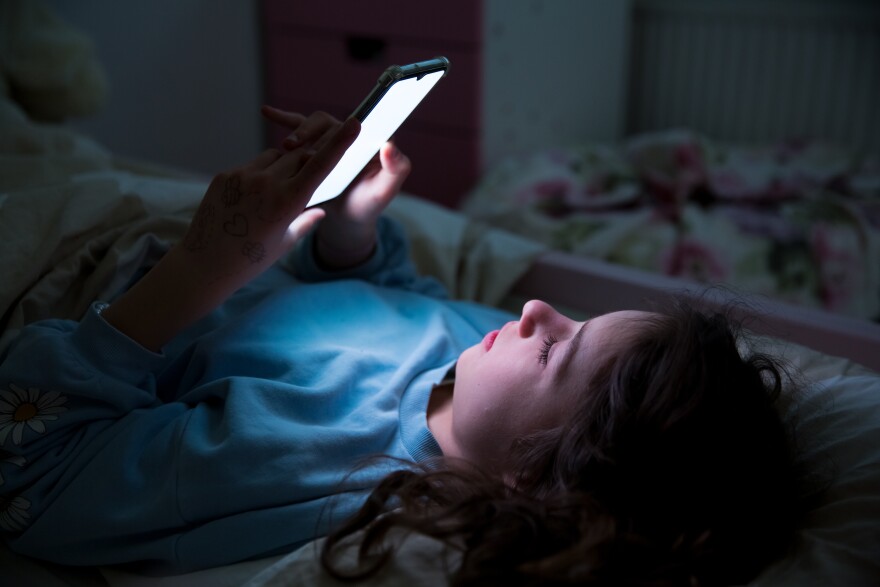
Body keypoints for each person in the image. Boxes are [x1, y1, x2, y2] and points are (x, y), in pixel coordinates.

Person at [0, 108, 802, 583]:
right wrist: (353, 230)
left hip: (90, 287)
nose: (534, 308)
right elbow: (405, 298)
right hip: (208, 248)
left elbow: (36, 464)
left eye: (558, 350)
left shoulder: (303, 465)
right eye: (572, 318)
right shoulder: (474, 352)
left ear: (530, 471)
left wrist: (203, 268)